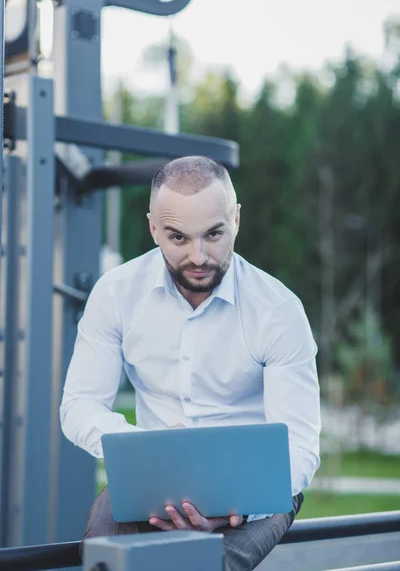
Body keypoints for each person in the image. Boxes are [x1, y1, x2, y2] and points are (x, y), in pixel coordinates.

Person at [60, 155, 321, 571]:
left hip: (255, 486)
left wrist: (235, 506)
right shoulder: (115, 295)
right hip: (154, 475)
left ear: (235, 219)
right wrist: (141, 450)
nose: (199, 256)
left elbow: (301, 447)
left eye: (214, 234)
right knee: (103, 558)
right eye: (178, 238)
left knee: (200, 568)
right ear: (153, 228)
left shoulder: (278, 311)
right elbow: (79, 406)